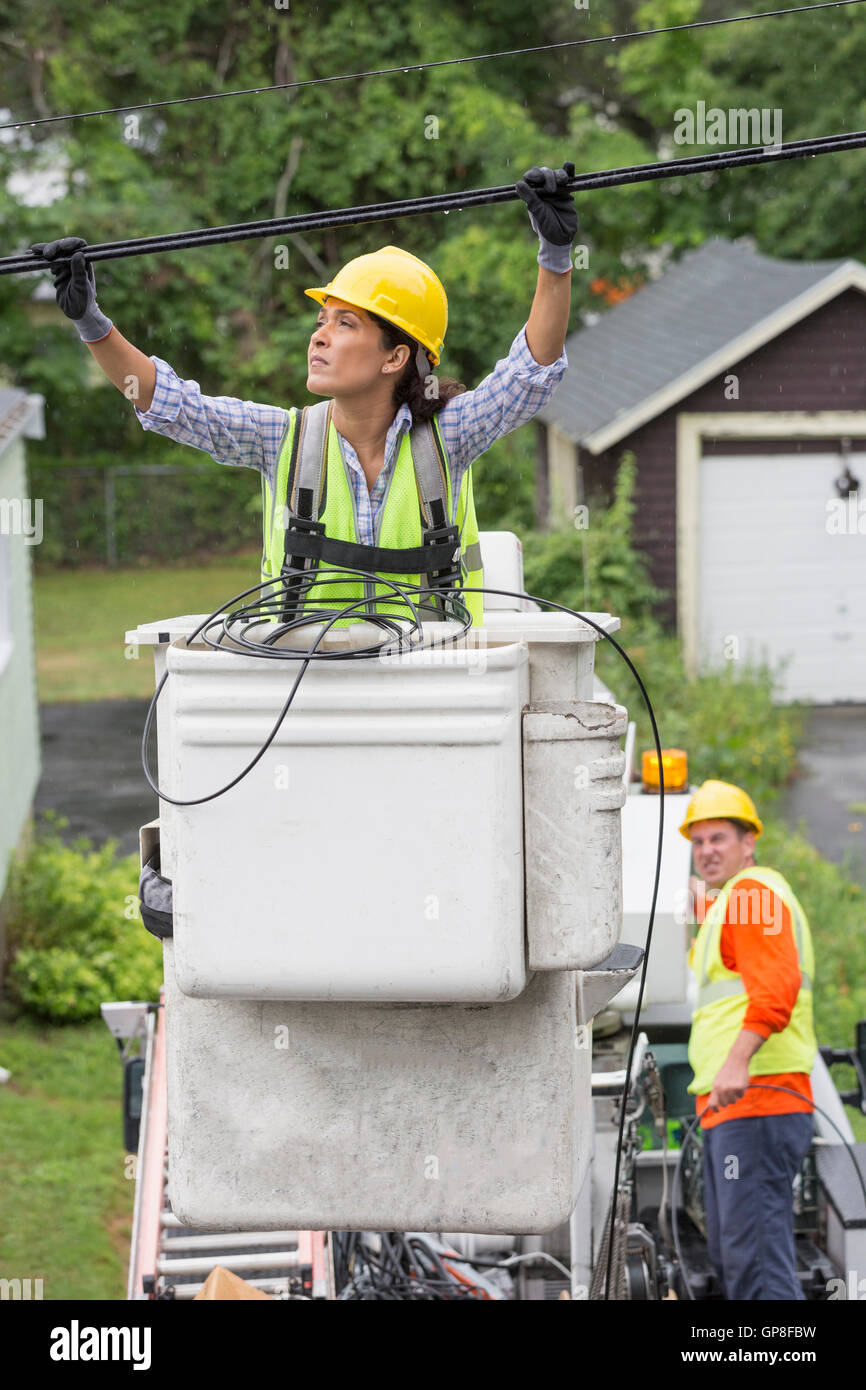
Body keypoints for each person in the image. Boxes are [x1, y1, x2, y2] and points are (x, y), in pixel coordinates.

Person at [31, 162, 577, 626]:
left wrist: (554, 256)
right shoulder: (284, 439)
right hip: (308, 695)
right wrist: (90, 322)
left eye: (345, 324)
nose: (318, 335)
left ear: (395, 357)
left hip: (434, 688)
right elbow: (169, 404)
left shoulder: (448, 437)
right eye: (322, 320)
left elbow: (528, 376)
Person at [682, 779, 817, 1300]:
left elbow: (775, 990)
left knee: (756, 1266)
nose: (706, 851)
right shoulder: (728, 904)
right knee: (738, 1259)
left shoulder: (752, 893)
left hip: (758, 1100)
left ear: (748, 843)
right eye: (697, 842)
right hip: (738, 1109)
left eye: (718, 838)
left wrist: (736, 1064)